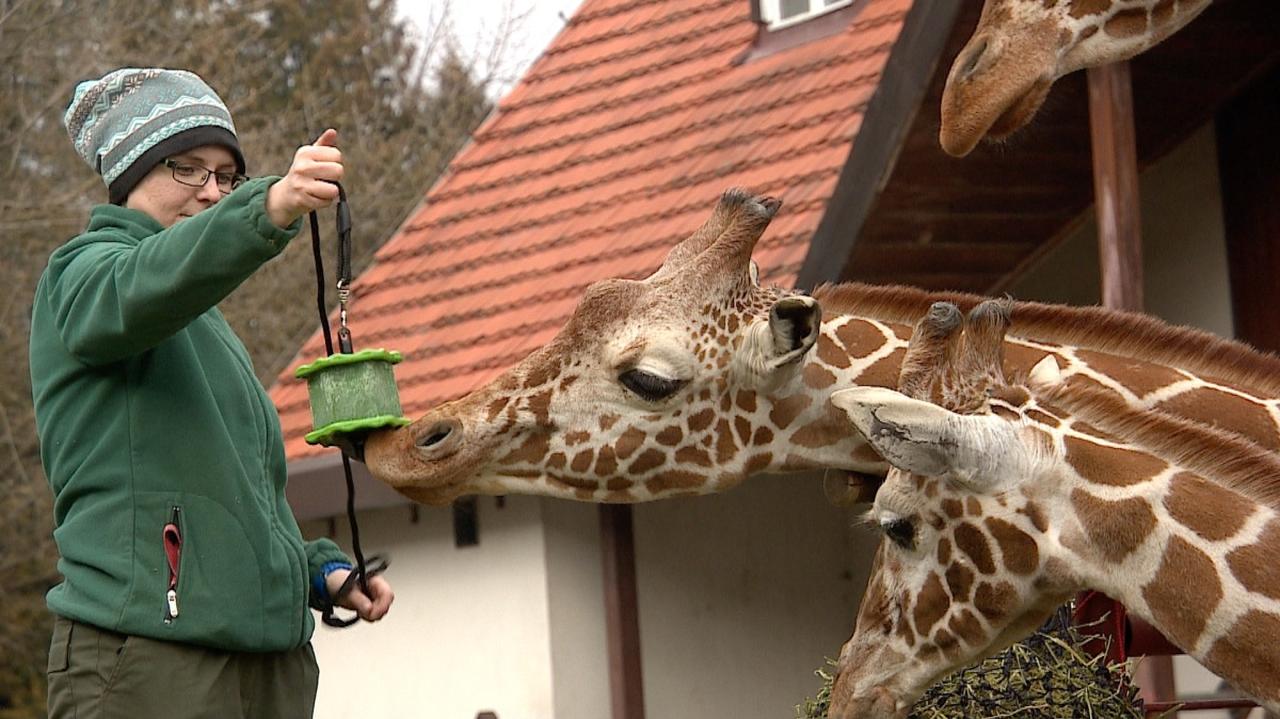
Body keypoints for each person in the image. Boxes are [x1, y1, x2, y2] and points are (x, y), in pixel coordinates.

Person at [30, 67, 394, 719]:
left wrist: (317, 570)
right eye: (187, 168)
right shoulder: (81, 276)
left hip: (266, 669)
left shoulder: (206, 324)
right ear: (129, 173)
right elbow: (149, 282)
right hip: (146, 662)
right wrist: (268, 207)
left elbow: (235, 495)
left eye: (227, 177)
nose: (212, 192)